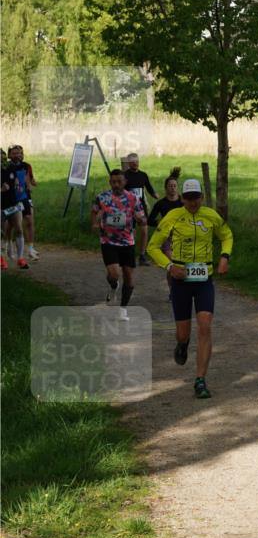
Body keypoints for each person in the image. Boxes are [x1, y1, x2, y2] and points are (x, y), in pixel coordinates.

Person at [147, 178, 232, 399]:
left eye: (196, 198)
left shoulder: (211, 216)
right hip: (181, 280)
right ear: (182, 199)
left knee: (205, 326)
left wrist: (224, 257)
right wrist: (170, 267)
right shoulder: (173, 216)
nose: (193, 202)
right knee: (183, 333)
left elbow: (227, 235)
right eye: (188, 198)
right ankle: (182, 344)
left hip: (204, 279)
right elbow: (152, 247)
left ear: (202, 197)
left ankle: (200, 380)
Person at [91, 169, 147, 321]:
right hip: (108, 241)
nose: (116, 184)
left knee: (128, 277)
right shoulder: (102, 197)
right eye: (113, 182)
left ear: (125, 182)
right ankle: (113, 285)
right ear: (110, 182)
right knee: (114, 274)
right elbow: (94, 211)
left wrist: (141, 220)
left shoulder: (133, 198)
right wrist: (94, 223)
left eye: (119, 182)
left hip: (127, 242)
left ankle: (123, 309)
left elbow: (142, 218)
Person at [147, 167, 182, 299]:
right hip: (166, 237)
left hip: (182, 237)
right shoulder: (160, 204)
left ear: (177, 187)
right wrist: (161, 223)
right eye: (170, 186)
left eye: (174, 186)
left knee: (181, 264)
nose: (172, 188)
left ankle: (180, 289)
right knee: (172, 263)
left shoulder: (183, 202)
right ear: (166, 188)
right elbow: (150, 220)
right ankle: (173, 291)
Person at [122, 152, 158, 265]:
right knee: (131, 232)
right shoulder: (124, 176)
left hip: (141, 207)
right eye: (133, 162)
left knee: (144, 231)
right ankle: (129, 255)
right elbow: (120, 191)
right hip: (128, 207)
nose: (135, 163)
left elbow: (149, 187)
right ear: (129, 163)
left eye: (137, 161)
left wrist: (155, 195)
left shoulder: (143, 175)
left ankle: (142, 255)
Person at [8, 144, 38, 259]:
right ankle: (9, 245)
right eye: (14, 153)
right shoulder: (6, 167)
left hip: (25, 197)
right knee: (12, 224)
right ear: (10, 155)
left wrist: (32, 183)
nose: (18, 155)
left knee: (29, 220)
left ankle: (30, 248)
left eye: (19, 153)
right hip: (11, 199)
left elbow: (30, 179)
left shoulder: (26, 166)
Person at [1, 149, 28, 269]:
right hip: (1, 207)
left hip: (14, 204)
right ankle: (2, 259)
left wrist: (17, 184)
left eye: (3, 156)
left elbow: (15, 179)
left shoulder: (10, 168)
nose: (2, 159)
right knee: (2, 233)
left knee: (19, 229)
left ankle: (20, 258)